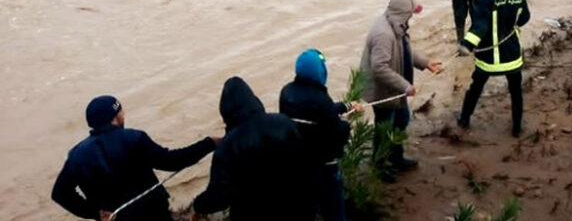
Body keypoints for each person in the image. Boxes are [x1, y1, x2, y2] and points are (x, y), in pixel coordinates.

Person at [51, 95, 219, 221]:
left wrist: (95, 213)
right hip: (153, 213)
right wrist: (209, 143)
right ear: (115, 118)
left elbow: (60, 194)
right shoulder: (134, 138)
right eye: (121, 111)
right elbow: (172, 161)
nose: (124, 114)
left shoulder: (75, 155)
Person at [191, 76, 312, 221]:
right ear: (253, 99)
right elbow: (307, 160)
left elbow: (219, 196)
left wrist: (198, 205)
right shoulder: (284, 122)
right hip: (296, 208)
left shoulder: (227, 148)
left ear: (225, 110)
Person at [359, 0, 442, 180]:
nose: (412, 16)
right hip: (383, 92)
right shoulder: (383, 34)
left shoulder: (397, 26)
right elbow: (379, 69)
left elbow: (404, 51)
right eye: (411, 13)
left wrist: (425, 63)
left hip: (396, 88)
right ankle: (379, 166)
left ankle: (396, 158)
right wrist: (405, 86)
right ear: (403, 13)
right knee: (384, 128)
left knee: (401, 120)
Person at [279, 49, 364, 221]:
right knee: (335, 212)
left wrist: (346, 106)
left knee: (305, 212)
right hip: (323, 169)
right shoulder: (320, 98)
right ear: (319, 71)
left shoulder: (287, 92)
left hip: (296, 167)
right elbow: (336, 131)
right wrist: (346, 125)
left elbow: (316, 113)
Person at [457, 0, 531, 137]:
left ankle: (464, 119)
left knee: (476, 88)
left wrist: (466, 45)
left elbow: (479, 26)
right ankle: (516, 128)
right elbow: (524, 18)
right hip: (512, 56)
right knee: (516, 92)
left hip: (488, 59)